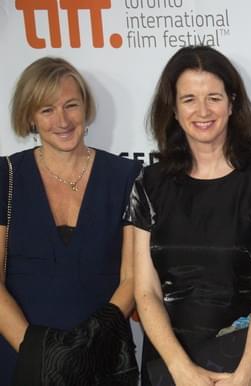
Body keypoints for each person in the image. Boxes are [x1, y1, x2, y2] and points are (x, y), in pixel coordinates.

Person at [125, 45, 251, 386]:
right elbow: (146, 292)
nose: (203, 110)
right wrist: (182, 370)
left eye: (214, 97)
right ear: (173, 108)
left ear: (232, 103)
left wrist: (245, 374)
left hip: (245, 363)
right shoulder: (149, 184)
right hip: (169, 368)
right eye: (189, 99)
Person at [0, 57, 140, 385]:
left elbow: (132, 278)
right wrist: (42, 354)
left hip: (101, 361)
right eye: (47, 109)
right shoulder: (5, 177)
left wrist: (84, 351)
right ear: (30, 117)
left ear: (86, 108)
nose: (61, 120)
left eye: (70, 105)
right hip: (22, 362)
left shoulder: (126, 177)